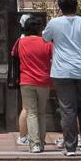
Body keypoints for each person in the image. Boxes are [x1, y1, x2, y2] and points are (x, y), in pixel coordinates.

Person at [42, 0, 81, 156]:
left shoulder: (54, 23)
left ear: (60, 7)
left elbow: (45, 38)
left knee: (67, 110)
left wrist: (56, 16)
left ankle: (70, 147)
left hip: (62, 72)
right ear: (76, 5)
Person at [12, 13, 53, 153]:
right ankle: (41, 142)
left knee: (31, 113)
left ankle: (34, 143)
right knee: (41, 112)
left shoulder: (21, 42)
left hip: (26, 81)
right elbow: (52, 57)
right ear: (40, 29)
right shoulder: (47, 42)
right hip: (44, 81)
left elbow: (14, 55)